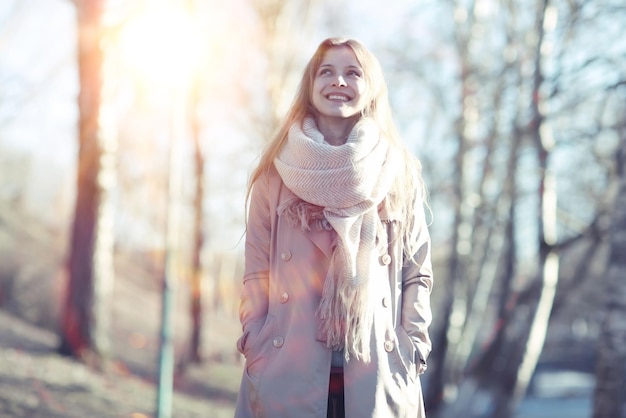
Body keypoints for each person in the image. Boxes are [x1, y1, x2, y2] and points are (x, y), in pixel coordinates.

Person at [234, 37, 434, 418]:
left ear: (370, 87)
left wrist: (412, 347)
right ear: (310, 87)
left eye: (352, 73)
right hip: (285, 370)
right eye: (327, 72)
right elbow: (256, 271)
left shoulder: (398, 173)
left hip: (377, 372)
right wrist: (255, 342)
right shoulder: (275, 175)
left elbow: (417, 273)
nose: (338, 81)